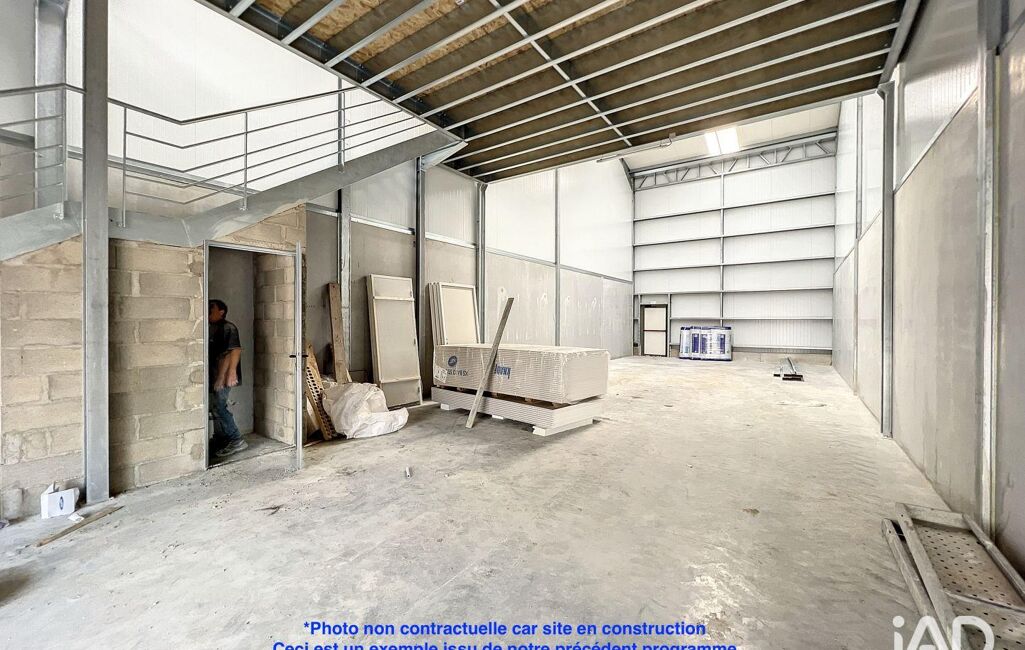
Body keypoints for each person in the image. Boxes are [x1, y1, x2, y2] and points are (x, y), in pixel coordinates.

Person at [208, 299, 247, 458]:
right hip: (214, 374)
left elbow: (234, 351)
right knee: (215, 408)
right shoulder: (212, 327)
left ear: (221, 312)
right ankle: (221, 437)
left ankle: (236, 440)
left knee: (219, 407)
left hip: (222, 376)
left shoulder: (228, 328)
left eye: (211, 310)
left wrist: (228, 375)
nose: (208, 313)